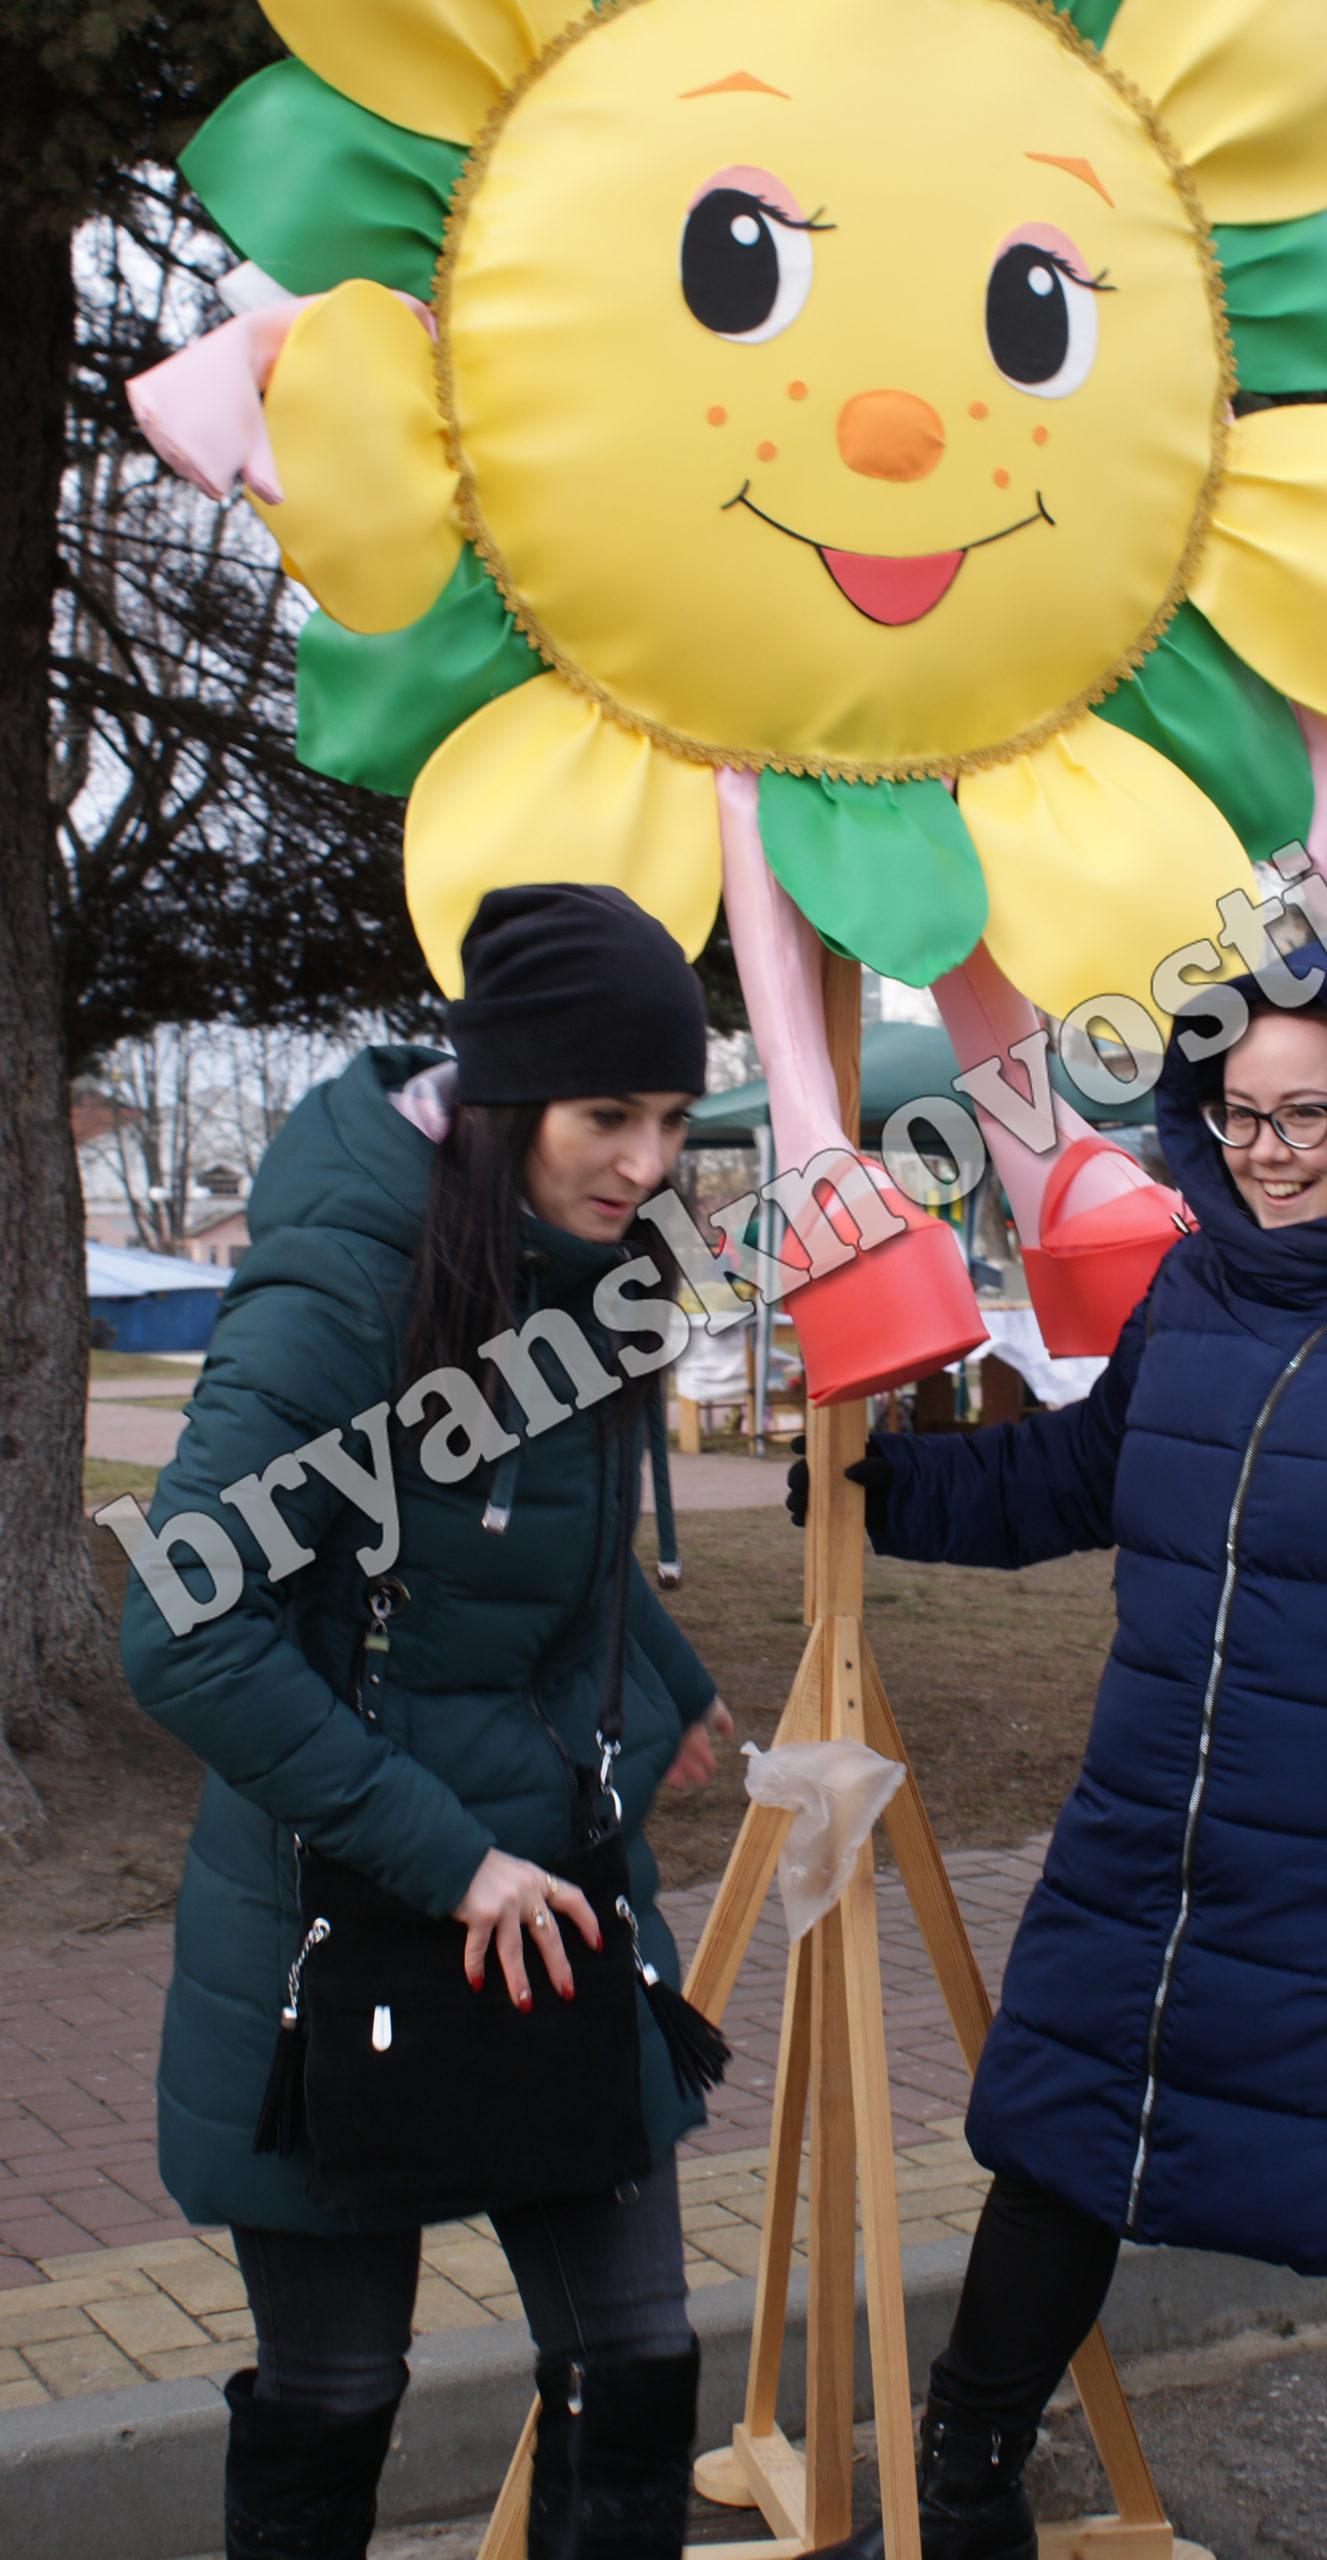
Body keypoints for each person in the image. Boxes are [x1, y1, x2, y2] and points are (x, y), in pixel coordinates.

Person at [792, 922, 1327, 2560]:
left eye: (1301, 1118)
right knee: (1060, 2147)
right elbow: (1081, 1476)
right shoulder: (1198, 1285)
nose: (1258, 1155)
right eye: (1237, 1115)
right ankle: (962, 2491)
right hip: (1160, 1854)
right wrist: (878, 1495)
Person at [121, 884, 733, 2560]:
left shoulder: (576, 1272)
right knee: (335, 2388)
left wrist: (665, 1684)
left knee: (637, 2365)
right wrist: (449, 1860)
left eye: (672, 1119)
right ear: (497, 1102)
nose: (644, 1160)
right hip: (345, 1929)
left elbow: (546, 1542)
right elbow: (179, 1630)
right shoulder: (337, 1291)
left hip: (558, 1906)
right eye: (608, 1115)